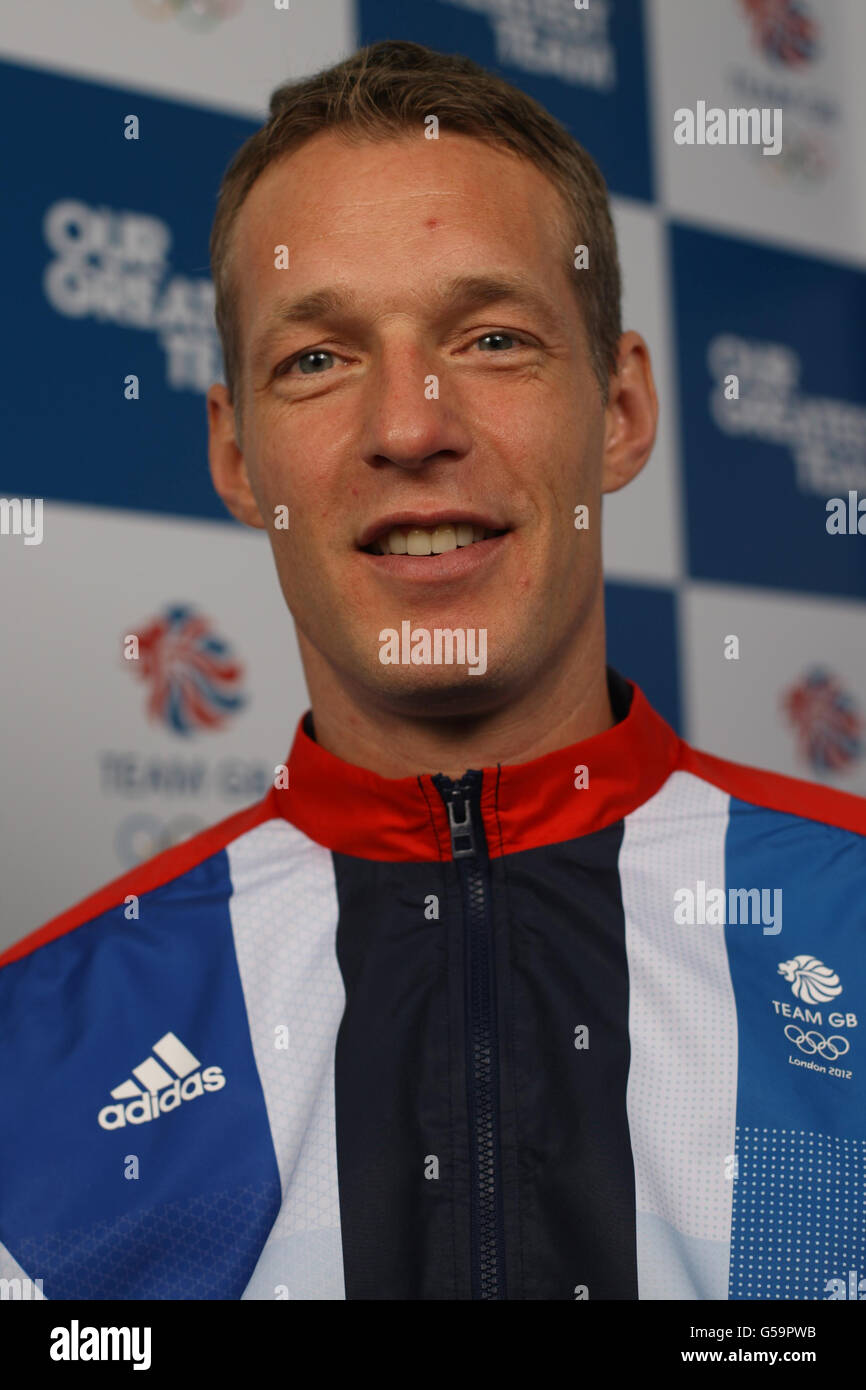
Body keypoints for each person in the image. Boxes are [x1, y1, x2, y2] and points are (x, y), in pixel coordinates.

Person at [1, 40, 864, 1303]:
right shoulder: (38, 1050)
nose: (409, 426)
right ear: (236, 457)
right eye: (316, 358)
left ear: (618, 409)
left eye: (493, 336)